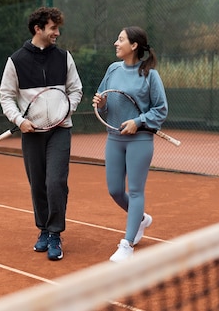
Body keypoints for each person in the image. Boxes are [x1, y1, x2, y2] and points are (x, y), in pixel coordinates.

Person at [0, 7, 83, 261]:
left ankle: (56, 233)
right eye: (53, 28)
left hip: (60, 131)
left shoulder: (65, 57)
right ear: (39, 29)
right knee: (38, 184)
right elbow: (6, 96)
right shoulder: (16, 61)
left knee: (55, 182)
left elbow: (76, 90)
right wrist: (19, 120)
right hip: (31, 133)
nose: (57, 33)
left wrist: (65, 111)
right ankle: (44, 230)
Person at [92, 26, 168, 262]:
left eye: (121, 39)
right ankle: (141, 219)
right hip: (114, 138)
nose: (116, 43)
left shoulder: (150, 75)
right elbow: (103, 101)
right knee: (115, 190)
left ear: (133, 46)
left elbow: (160, 109)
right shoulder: (112, 69)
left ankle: (127, 245)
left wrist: (138, 121)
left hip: (140, 140)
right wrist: (101, 103)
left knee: (135, 191)